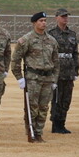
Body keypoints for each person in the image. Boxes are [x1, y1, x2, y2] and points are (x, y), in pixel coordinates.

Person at [10, 12, 60, 143]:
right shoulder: (26, 40)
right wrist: (19, 77)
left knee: (44, 107)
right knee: (32, 107)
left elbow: (56, 62)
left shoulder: (52, 40)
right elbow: (16, 59)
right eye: (40, 21)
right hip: (33, 78)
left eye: (45, 20)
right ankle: (31, 131)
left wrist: (54, 78)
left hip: (48, 78)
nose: (43, 23)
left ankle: (39, 132)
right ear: (34, 23)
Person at [48, 8, 79, 134]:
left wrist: (76, 70)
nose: (65, 19)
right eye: (62, 16)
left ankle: (62, 123)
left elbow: (75, 53)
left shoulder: (72, 34)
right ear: (57, 18)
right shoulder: (51, 34)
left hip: (69, 72)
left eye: (66, 16)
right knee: (57, 99)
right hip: (57, 72)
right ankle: (56, 124)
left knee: (66, 99)